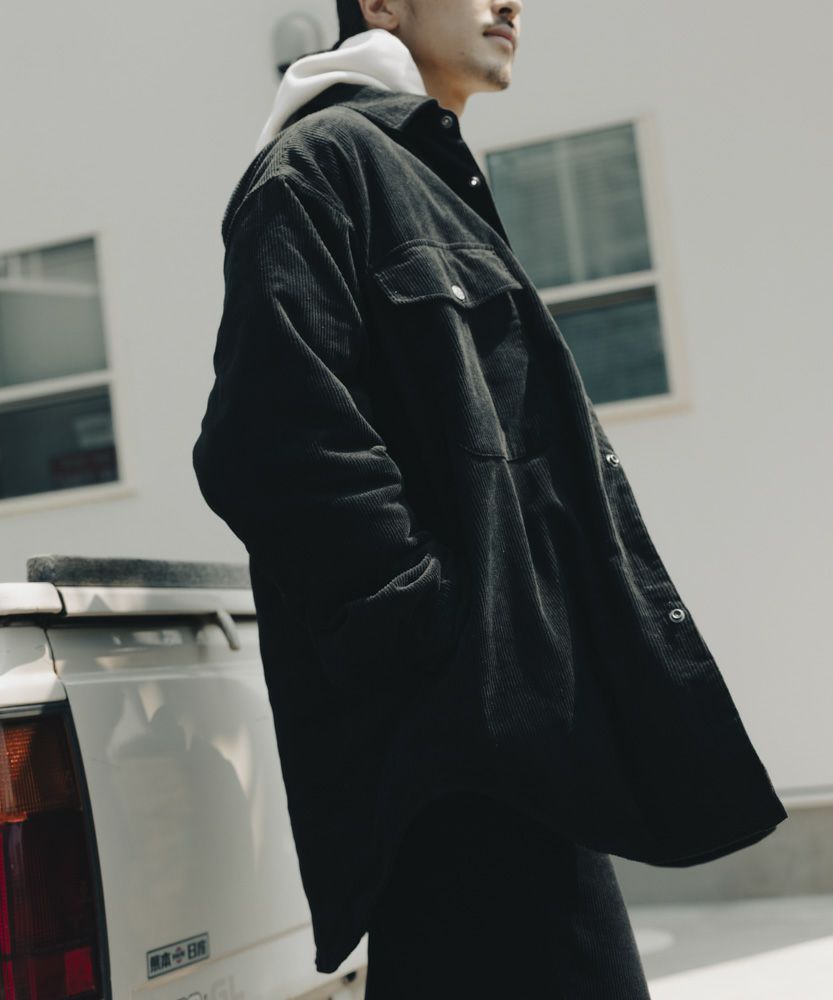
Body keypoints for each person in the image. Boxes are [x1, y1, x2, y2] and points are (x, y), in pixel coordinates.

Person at [192, 0, 788, 995]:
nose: (510, 1)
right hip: (459, 745)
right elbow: (269, 441)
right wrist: (444, 640)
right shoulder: (320, 167)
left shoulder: (421, 175)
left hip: (511, 735)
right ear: (381, 3)